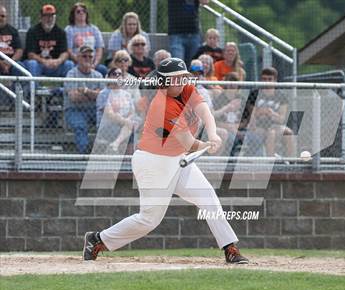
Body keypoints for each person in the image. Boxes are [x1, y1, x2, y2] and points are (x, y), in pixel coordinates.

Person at [83, 57, 249, 264]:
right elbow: (188, 142)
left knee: (208, 197)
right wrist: (207, 145)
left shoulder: (187, 89)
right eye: (175, 79)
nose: (180, 82)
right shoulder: (162, 105)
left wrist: (214, 135)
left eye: (182, 77)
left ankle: (230, 248)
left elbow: (205, 111)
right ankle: (97, 240)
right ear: (163, 82)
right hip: (153, 162)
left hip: (177, 159)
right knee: (149, 219)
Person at [213, 72, 263, 156]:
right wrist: (228, 127)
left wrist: (237, 127)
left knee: (256, 139)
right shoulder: (218, 99)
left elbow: (246, 120)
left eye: (235, 82)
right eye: (230, 82)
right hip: (225, 129)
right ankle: (229, 163)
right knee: (232, 139)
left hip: (240, 129)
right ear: (225, 83)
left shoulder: (242, 99)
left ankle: (249, 162)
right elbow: (214, 121)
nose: (232, 85)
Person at [64, 45, 102, 154]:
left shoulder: (98, 75)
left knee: (108, 121)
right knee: (80, 126)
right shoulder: (71, 74)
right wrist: (93, 94)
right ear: (78, 58)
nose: (87, 59)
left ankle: (107, 152)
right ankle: (84, 154)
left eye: (90, 56)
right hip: (74, 110)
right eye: (84, 56)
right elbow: (74, 97)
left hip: (94, 110)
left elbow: (101, 97)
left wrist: (85, 91)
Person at [254, 67, 296, 157]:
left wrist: (271, 113)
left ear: (275, 80)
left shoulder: (281, 96)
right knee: (271, 134)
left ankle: (291, 162)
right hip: (258, 126)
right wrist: (261, 112)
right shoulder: (255, 94)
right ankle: (271, 163)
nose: (267, 82)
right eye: (264, 79)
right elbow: (251, 116)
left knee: (288, 133)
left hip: (275, 125)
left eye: (270, 79)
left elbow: (281, 119)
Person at [96, 67, 139, 152]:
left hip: (123, 124)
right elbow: (109, 114)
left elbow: (132, 112)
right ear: (108, 77)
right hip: (107, 126)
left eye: (120, 74)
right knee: (130, 129)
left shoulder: (126, 94)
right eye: (115, 74)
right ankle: (118, 148)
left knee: (130, 129)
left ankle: (116, 145)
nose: (118, 76)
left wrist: (127, 121)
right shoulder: (103, 94)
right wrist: (126, 122)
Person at [24, 4, 73, 77]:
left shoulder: (60, 32)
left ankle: (66, 88)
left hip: (55, 64)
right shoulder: (33, 31)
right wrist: (44, 61)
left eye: (51, 16)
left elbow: (65, 53)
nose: (49, 19)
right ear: (41, 17)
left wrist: (58, 61)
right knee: (32, 63)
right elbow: (30, 54)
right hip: (39, 64)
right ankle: (33, 88)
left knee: (69, 64)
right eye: (46, 16)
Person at [65, 2, 107, 77]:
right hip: (76, 63)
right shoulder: (69, 29)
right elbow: (69, 50)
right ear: (73, 15)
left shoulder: (94, 29)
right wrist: (81, 63)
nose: (81, 13)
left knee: (103, 69)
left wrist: (94, 64)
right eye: (78, 11)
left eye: (84, 11)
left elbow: (99, 49)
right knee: (69, 66)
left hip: (92, 62)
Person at [168, 0, 209, 66]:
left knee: (194, 66)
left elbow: (205, 1)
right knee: (178, 66)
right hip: (177, 34)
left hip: (194, 34)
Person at [0, 5, 23, 76]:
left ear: (6, 17)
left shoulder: (13, 31)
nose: (0, 18)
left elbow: (19, 50)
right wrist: (1, 63)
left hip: (11, 61)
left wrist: (10, 62)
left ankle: (17, 87)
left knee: (19, 66)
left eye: (2, 16)